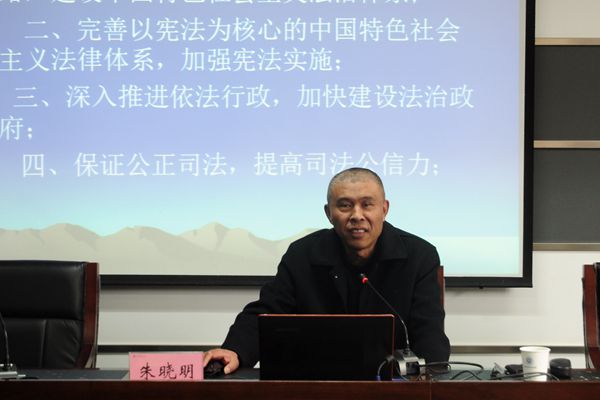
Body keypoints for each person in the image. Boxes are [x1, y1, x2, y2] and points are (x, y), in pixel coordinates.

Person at [204, 167, 450, 374]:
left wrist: (427, 378)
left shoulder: (418, 256)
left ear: (384, 209)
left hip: (391, 383)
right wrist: (234, 350)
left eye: (367, 205)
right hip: (316, 380)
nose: (357, 216)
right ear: (328, 213)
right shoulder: (303, 254)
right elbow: (267, 311)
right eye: (345, 206)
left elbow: (428, 330)